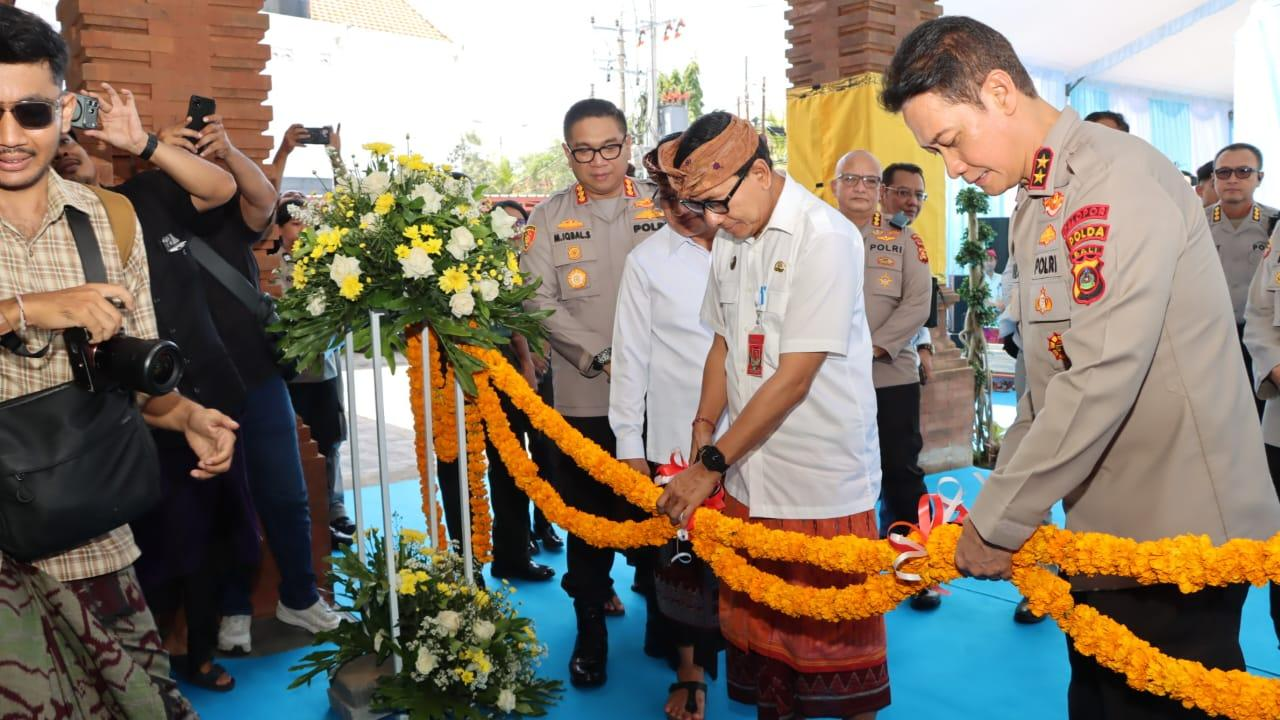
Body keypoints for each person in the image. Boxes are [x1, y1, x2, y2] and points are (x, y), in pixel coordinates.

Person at [881, 16, 1280, 719]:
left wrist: (999, 520)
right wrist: (1007, 501)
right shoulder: (1042, 202)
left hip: (1176, 529)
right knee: (1098, 700)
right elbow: (1048, 379)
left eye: (949, 141)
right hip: (1103, 520)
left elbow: (1102, 373)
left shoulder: (1113, 179)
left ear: (999, 91)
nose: (952, 169)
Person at [0, 7, 238, 714]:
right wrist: (26, 310)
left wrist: (187, 414)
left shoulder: (110, 219)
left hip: (86, 535)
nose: (9, 136)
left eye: (31, 112)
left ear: (66, 110)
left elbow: (135, 378)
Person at [656, 111, 888, 720]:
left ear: (759, 171)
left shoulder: (826, 237)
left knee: (837, 666)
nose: (711, 221)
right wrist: (704, 426)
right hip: (747, 477)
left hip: (819, 482)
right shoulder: (731, 238)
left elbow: (794, 377)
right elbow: (723, 343)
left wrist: (709, 463)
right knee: (768, 666)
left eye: (715, 203)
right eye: (700, 208)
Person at [55, 86, 260, 691]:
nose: (64, 150)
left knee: (217, 537)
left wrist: (142, 142)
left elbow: (221, 188)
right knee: (149, 545)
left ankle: (197, 654)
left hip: (209, 397)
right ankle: (142, 664)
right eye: (54, 140)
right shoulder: (55, 234)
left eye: (72, 136)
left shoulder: (141, 197)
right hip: (124, 417)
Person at [156, 108, 344, 653]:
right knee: (223, 504)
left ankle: (301, 596)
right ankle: (234, 606)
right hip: (193, 389)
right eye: (178, 150)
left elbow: (263, 197)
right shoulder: (142, 214)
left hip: (259, 379)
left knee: (285, 494)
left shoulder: (226, 213)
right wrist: (152, 148)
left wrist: (230, 151)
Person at [519, 98, 666, 688]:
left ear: (629, 145)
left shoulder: (668, 206)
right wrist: (599, 355)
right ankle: (590, 630)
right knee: (586, 517)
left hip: (666, 397)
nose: (599, 160)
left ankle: (668, 618)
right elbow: (536, 299)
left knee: (663, 510)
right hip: (586, 396)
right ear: (568, 154)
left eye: (610, 147)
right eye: (585, 150)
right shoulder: (548, 219)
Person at [610, 133, 724, 720]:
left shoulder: (753, 244)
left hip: (762, 436)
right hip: (678, 442)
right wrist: (630, 446)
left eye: (693, 190)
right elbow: (629, 359)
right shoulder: (647, 262)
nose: (682, 206)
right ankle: (688, 669)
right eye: (668, 192)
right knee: (684, 563)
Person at [851, 157, 934, 611]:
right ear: (882, 192)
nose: (911, 202)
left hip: (891, 377)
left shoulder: (908, 244)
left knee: (901, 472)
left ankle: (911, 565)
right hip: (834, 380)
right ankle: (854, 562)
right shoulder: (837, 235)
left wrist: (875, 349)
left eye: (919, 195)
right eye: (903, 192)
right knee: (850, 471)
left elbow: (918, 305)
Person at [493, 199, 564, 557]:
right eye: (505, 226)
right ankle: (515, 544)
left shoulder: (539, 260)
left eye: (520, 224)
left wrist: (543, 355)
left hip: (545, 366)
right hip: (505, 371)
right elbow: (508, 318)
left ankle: (545, 522)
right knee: (509, 461)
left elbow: (553, 309)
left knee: (547, 453)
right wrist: (524, 359)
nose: (515, 232)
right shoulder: (487, 270)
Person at [1208, 143, 1275, 417]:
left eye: (1243, 171)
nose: (1232, 179)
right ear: (1213, 179)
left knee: (1259, 412)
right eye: (1223, 172)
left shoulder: (1274, 224)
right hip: (1212, 336)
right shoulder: (1195, 224)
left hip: (1260, 337)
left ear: (1259, 177)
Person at [831, 150, 882, 229]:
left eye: (870, 181)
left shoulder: (901, 236)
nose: (860, 189)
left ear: (881, 191)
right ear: (834, 187)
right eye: (850, 179)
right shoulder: (814, 229)